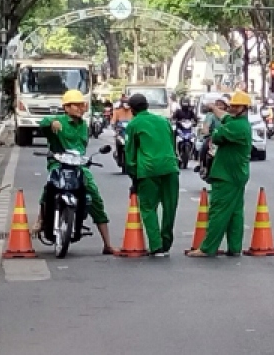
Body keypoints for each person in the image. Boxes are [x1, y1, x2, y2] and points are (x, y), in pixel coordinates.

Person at [34, 90, 117, 255]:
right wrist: (51, 122)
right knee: (50, 186)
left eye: (82, 105)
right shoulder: (59, 122)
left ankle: (107, 244)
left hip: (79, 166)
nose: (80, 108)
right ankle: (40, 219)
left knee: (94, 196)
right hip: (58, 164)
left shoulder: (84, 125)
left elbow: (81, 149)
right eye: (76, 105)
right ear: (66, 107)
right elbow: (43, 123)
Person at [187, 90, 253, 258]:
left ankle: (207, 248)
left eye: (235, 106)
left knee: (218, 211)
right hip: (237, 174)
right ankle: (234, 247)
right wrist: (212, 108)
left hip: (227, 175)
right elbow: (224, 116)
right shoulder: (239, 122)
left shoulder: (236, 127)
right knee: (235, 212)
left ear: (243, 108)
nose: (231, 108)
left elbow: (215, 136)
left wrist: (213, 128)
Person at [123, 93, 180, 256]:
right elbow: (171, 143)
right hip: (170, 167)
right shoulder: (163, 121)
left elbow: (130, 153)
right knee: (170, 206)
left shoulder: (134, 124)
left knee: (148, 207)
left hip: (148, 170)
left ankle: (157, 246)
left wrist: (133, 176)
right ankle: (167, 241)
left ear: (132, 109)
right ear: (147, 105)